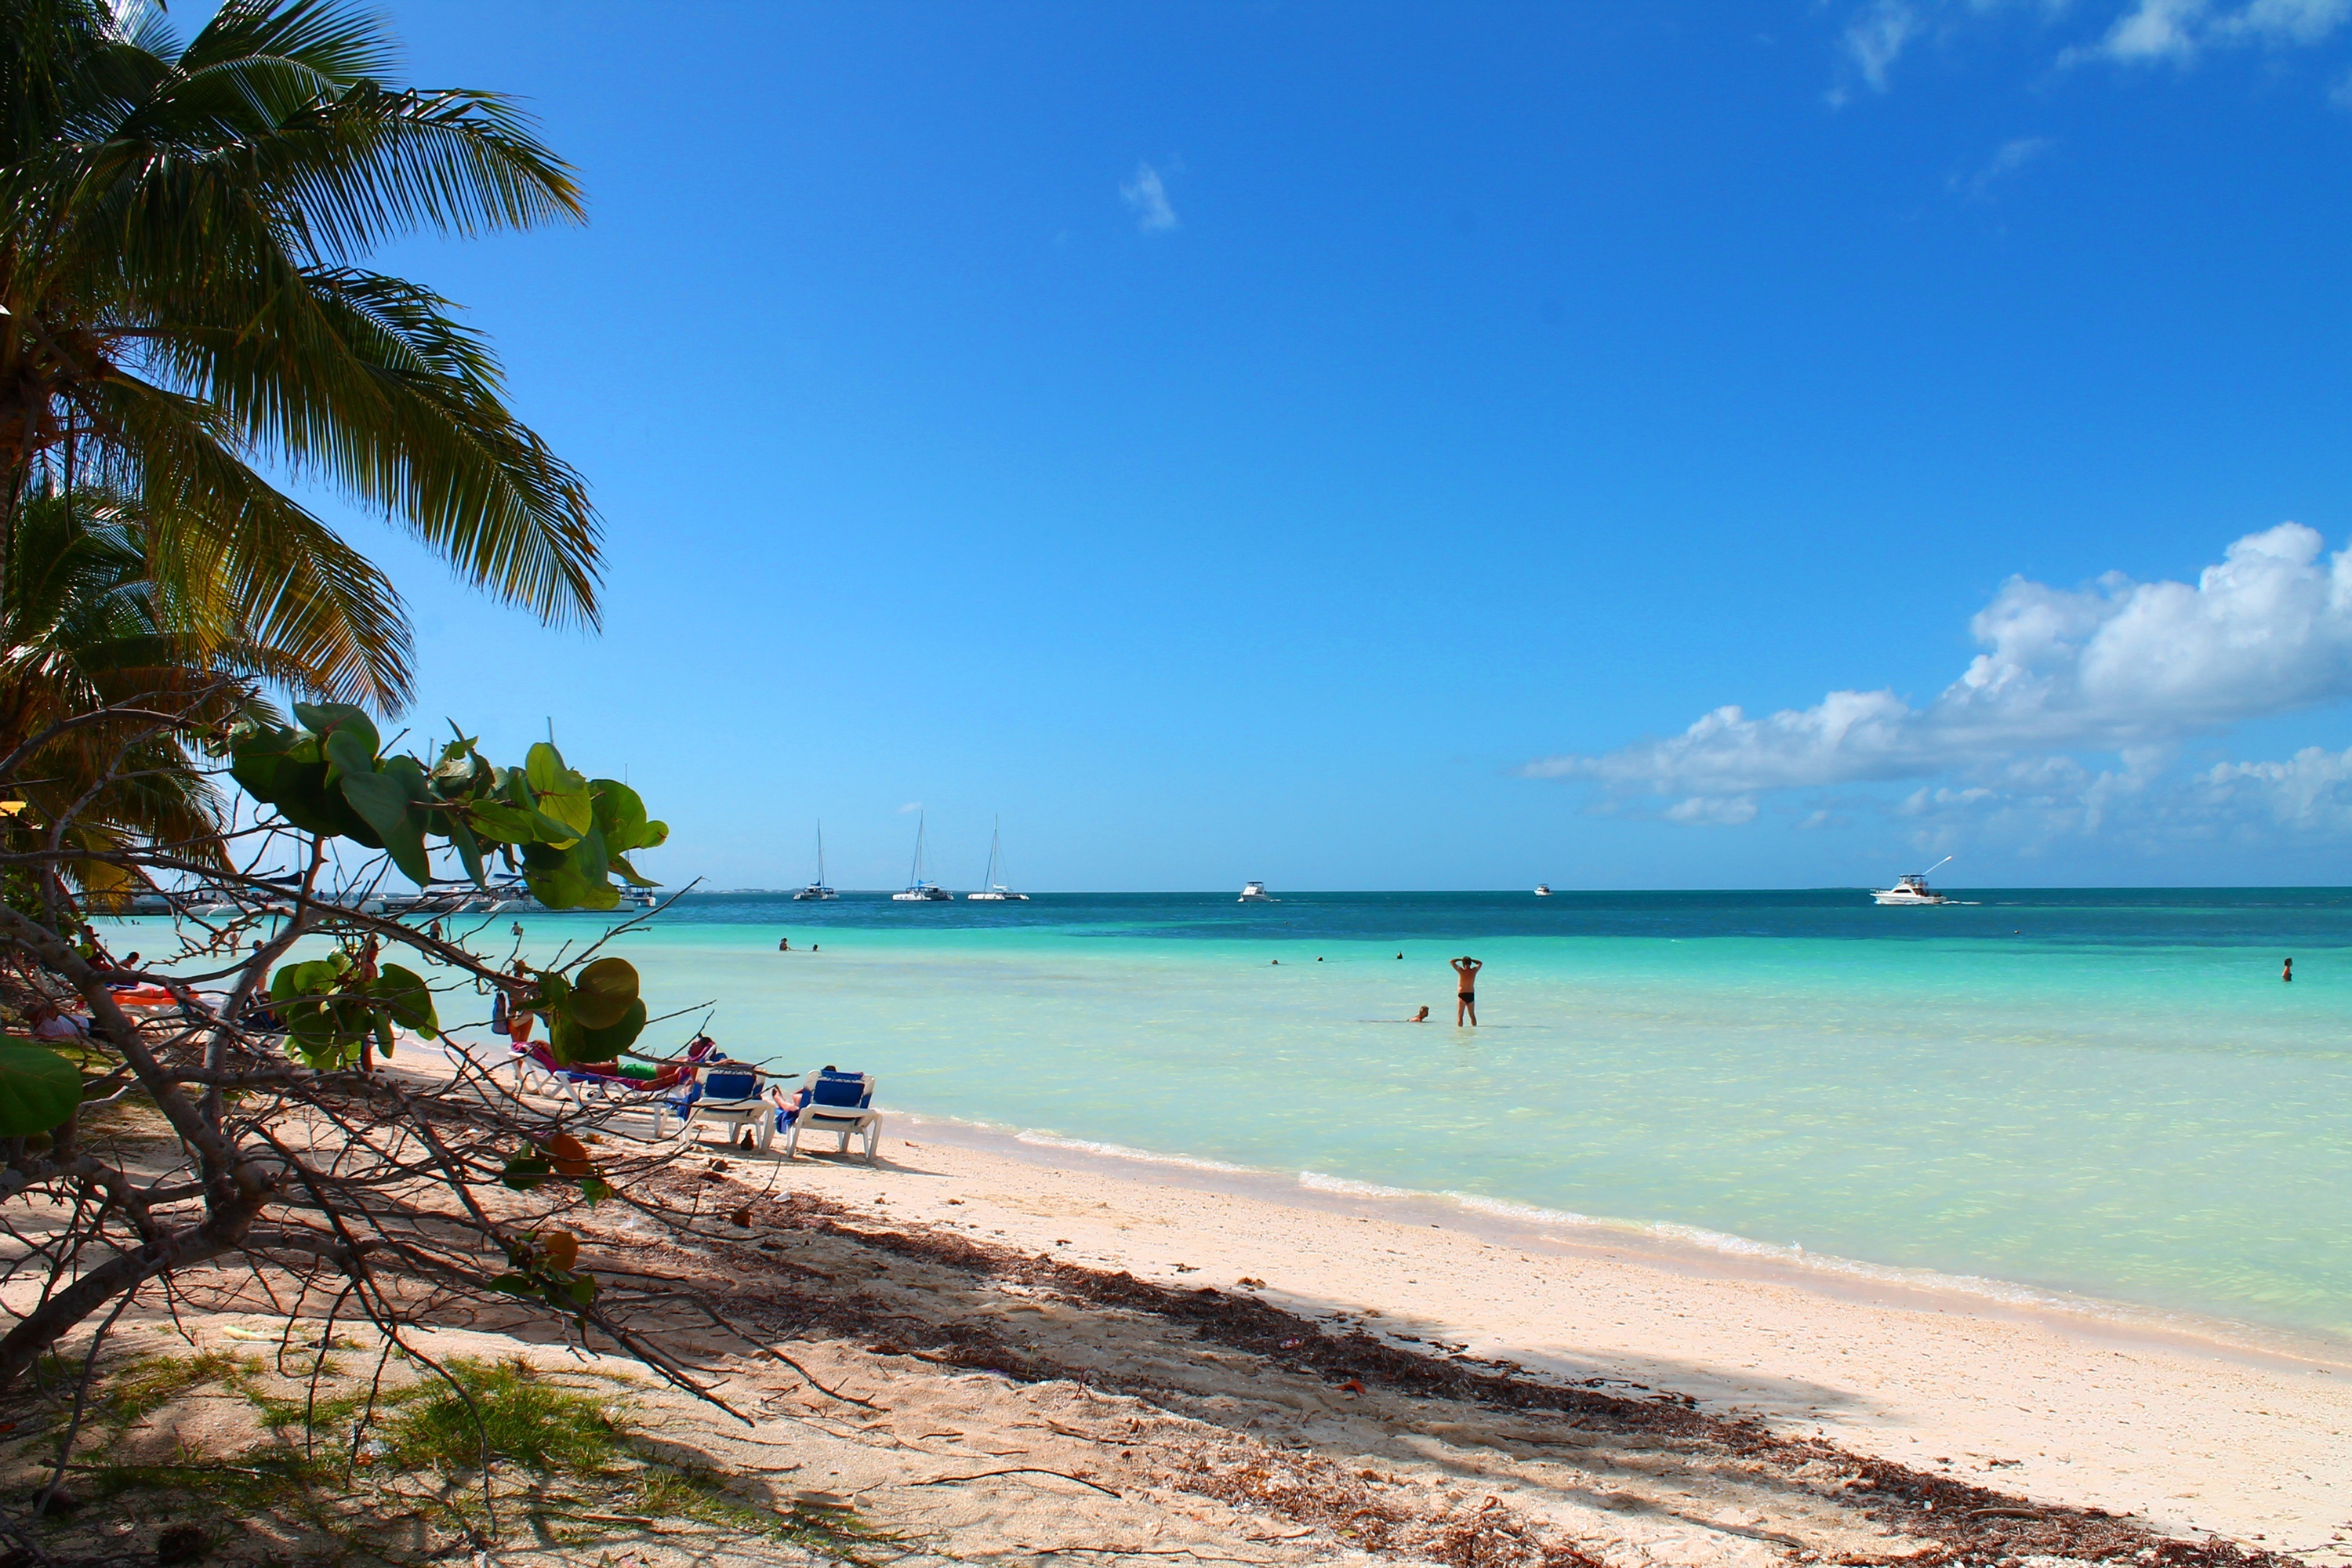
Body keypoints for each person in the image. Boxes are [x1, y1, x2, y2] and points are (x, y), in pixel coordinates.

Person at [1452, 955, 1482, 1027]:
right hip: (1471, 994)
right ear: (1470, 963)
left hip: (1462, 994)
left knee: (1460, 1016)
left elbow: (1452, 961)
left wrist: (1460, 959)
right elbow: (1480, 963)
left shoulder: (1461, 970)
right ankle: (1475, 1031)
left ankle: (1460, 1034)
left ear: (1463, 963)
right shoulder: (1474, 971)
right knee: (1472, 1015)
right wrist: (1471, 960)